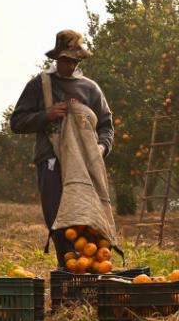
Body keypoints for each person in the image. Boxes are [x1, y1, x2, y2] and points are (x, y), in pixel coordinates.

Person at [10, 30, 114, 265]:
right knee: (60, 218)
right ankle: (67, 269)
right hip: (51, 160)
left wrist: (101, 149)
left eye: (75, 60)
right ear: (57, 58)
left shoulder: (90, 89)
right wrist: (45, 115)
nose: (70, 65)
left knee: (89, 218)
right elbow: (17, 122)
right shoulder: (40, 85)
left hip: (86, 163)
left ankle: (91, 270)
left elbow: (107, 126)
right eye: (66, 60)